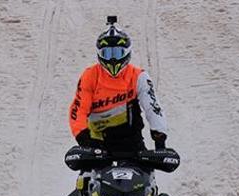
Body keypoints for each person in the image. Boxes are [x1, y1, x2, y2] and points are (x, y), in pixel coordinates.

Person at [69, 16, 167, 153]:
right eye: (107, 53)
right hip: (95, 145)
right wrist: (83, 140)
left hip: (131, 145)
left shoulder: (138, 76)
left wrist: (159, 139)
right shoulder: (89, 76)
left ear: (127, 52)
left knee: (146, 172)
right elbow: (78, 110)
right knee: (86, 175)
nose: (113, 59)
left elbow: (152, 107)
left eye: (117, 53)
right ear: (99, 54)